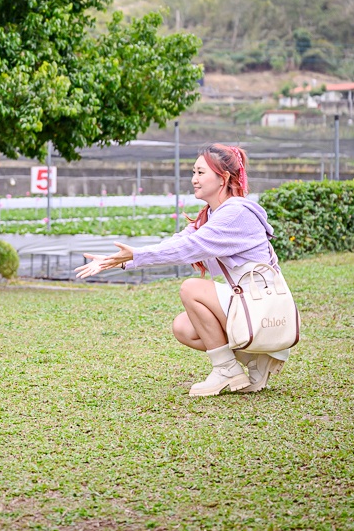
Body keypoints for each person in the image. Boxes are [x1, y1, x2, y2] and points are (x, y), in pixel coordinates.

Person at [75, 143, 290, 397]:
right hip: (250, 307)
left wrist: (135, 256)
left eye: (200, 173)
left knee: (192, 288)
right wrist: (120, 260)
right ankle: (255, 362)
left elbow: (189, 247)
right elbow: (177, 242)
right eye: (193, 172)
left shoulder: (234, 214)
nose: (194, 180)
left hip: (261, 309)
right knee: (184, 328)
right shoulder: (213, 214)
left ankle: (227, 369)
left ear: (223, 179)